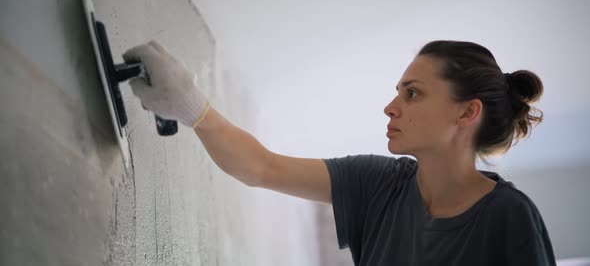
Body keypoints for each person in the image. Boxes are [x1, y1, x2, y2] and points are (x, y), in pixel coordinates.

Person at [122, 40, 556, 265]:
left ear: (467, 113)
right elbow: (260, 167)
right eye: (397, 92)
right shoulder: (379, 184)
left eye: (413, 93)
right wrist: (191, 104)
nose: (391, 106)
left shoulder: (510, 216)